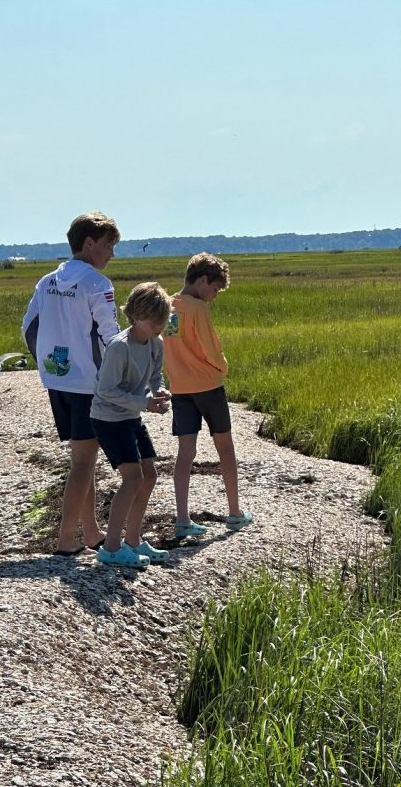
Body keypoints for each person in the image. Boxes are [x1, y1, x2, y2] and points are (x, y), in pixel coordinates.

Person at [22, 211, 120, 555]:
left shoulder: (46, 281)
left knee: (84, 458)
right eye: (109, 245)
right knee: (82, 463)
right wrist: (124, 377)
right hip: (89, 386)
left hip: (58, 382)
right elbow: (111, 337)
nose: (112, 253)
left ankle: (91, 533)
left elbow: (28, 328)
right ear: (89, 243)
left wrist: (49, 368)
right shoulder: (97, 283)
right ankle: (65, 540)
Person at [163, 252, 252, 538]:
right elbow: (210, 348)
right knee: (225, 446)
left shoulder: (168, 305)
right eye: (214, 289)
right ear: (202, 280)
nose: (214, 296)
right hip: (208, 386)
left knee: (185, 451)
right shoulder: (197, 308)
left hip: (180, 388)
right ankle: (235, 512)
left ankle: (182, 518)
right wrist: (222, 368)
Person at [90, 282, 173, 568]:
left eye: (162, 323)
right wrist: (144, 403)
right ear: (136, 316)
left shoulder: (155, 342)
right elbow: (105, 391)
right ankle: (111, 548)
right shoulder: (119, 348)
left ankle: (134, 541)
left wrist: (159, 393)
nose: (158, 328)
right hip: (109, 419)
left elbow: (155, 377)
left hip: (131, 417)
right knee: (133, 478)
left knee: (149, 475)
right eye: (154, 323)